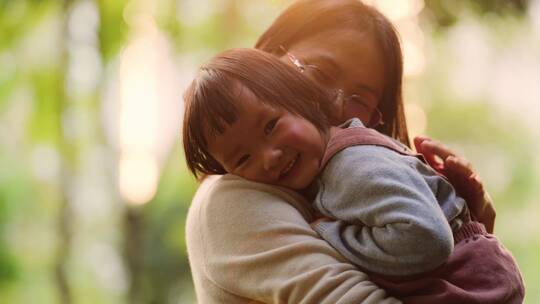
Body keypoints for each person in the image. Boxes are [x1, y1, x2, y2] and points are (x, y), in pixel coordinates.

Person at [184, 0, 497, 303]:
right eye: (319, 73)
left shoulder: (347, 179)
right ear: (267, 60)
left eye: (359, 99)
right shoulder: (229, 200)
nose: (333, 104)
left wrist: (467, 226)